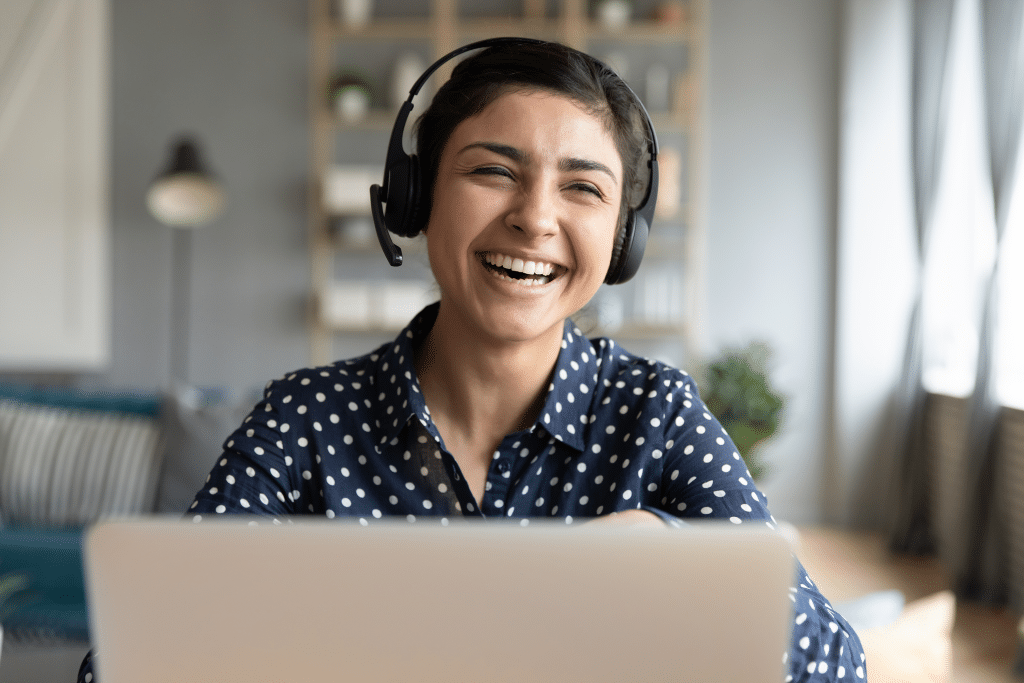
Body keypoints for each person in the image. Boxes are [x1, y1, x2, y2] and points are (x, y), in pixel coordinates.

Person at [78, 39, 865, 683]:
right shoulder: (307, 417)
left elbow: (835, 664)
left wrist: (669, 549)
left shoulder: (657, 414)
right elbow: (125, 662)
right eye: (494, 171)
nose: (535, 218)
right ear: (417, 198)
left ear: (623, 238)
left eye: (583, 189)